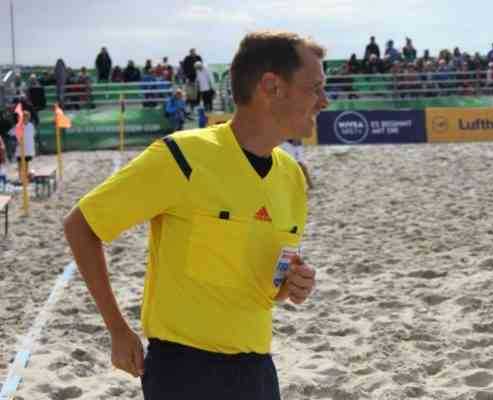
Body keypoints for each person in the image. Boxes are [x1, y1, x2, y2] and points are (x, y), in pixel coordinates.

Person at [63, 31, 326, 400]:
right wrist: (117, 329)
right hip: (184, 374)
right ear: (272, 87)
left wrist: (291, 286)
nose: (325, 101)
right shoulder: (182, 158)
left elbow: (266, 286)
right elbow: (81, 225)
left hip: (258, 373)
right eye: (315, 88)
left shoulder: (293, 178)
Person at [9, 110, 36, 182]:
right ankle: (21, 178)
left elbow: (32, 135)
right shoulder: (21, 125)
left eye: (27, 117)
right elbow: (11, 133)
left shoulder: (29, 125)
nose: (26, 118)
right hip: (23, 149)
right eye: (25, 117)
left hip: (27, 149)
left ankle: (24, 177)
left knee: (25, 164)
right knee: (21, 164)